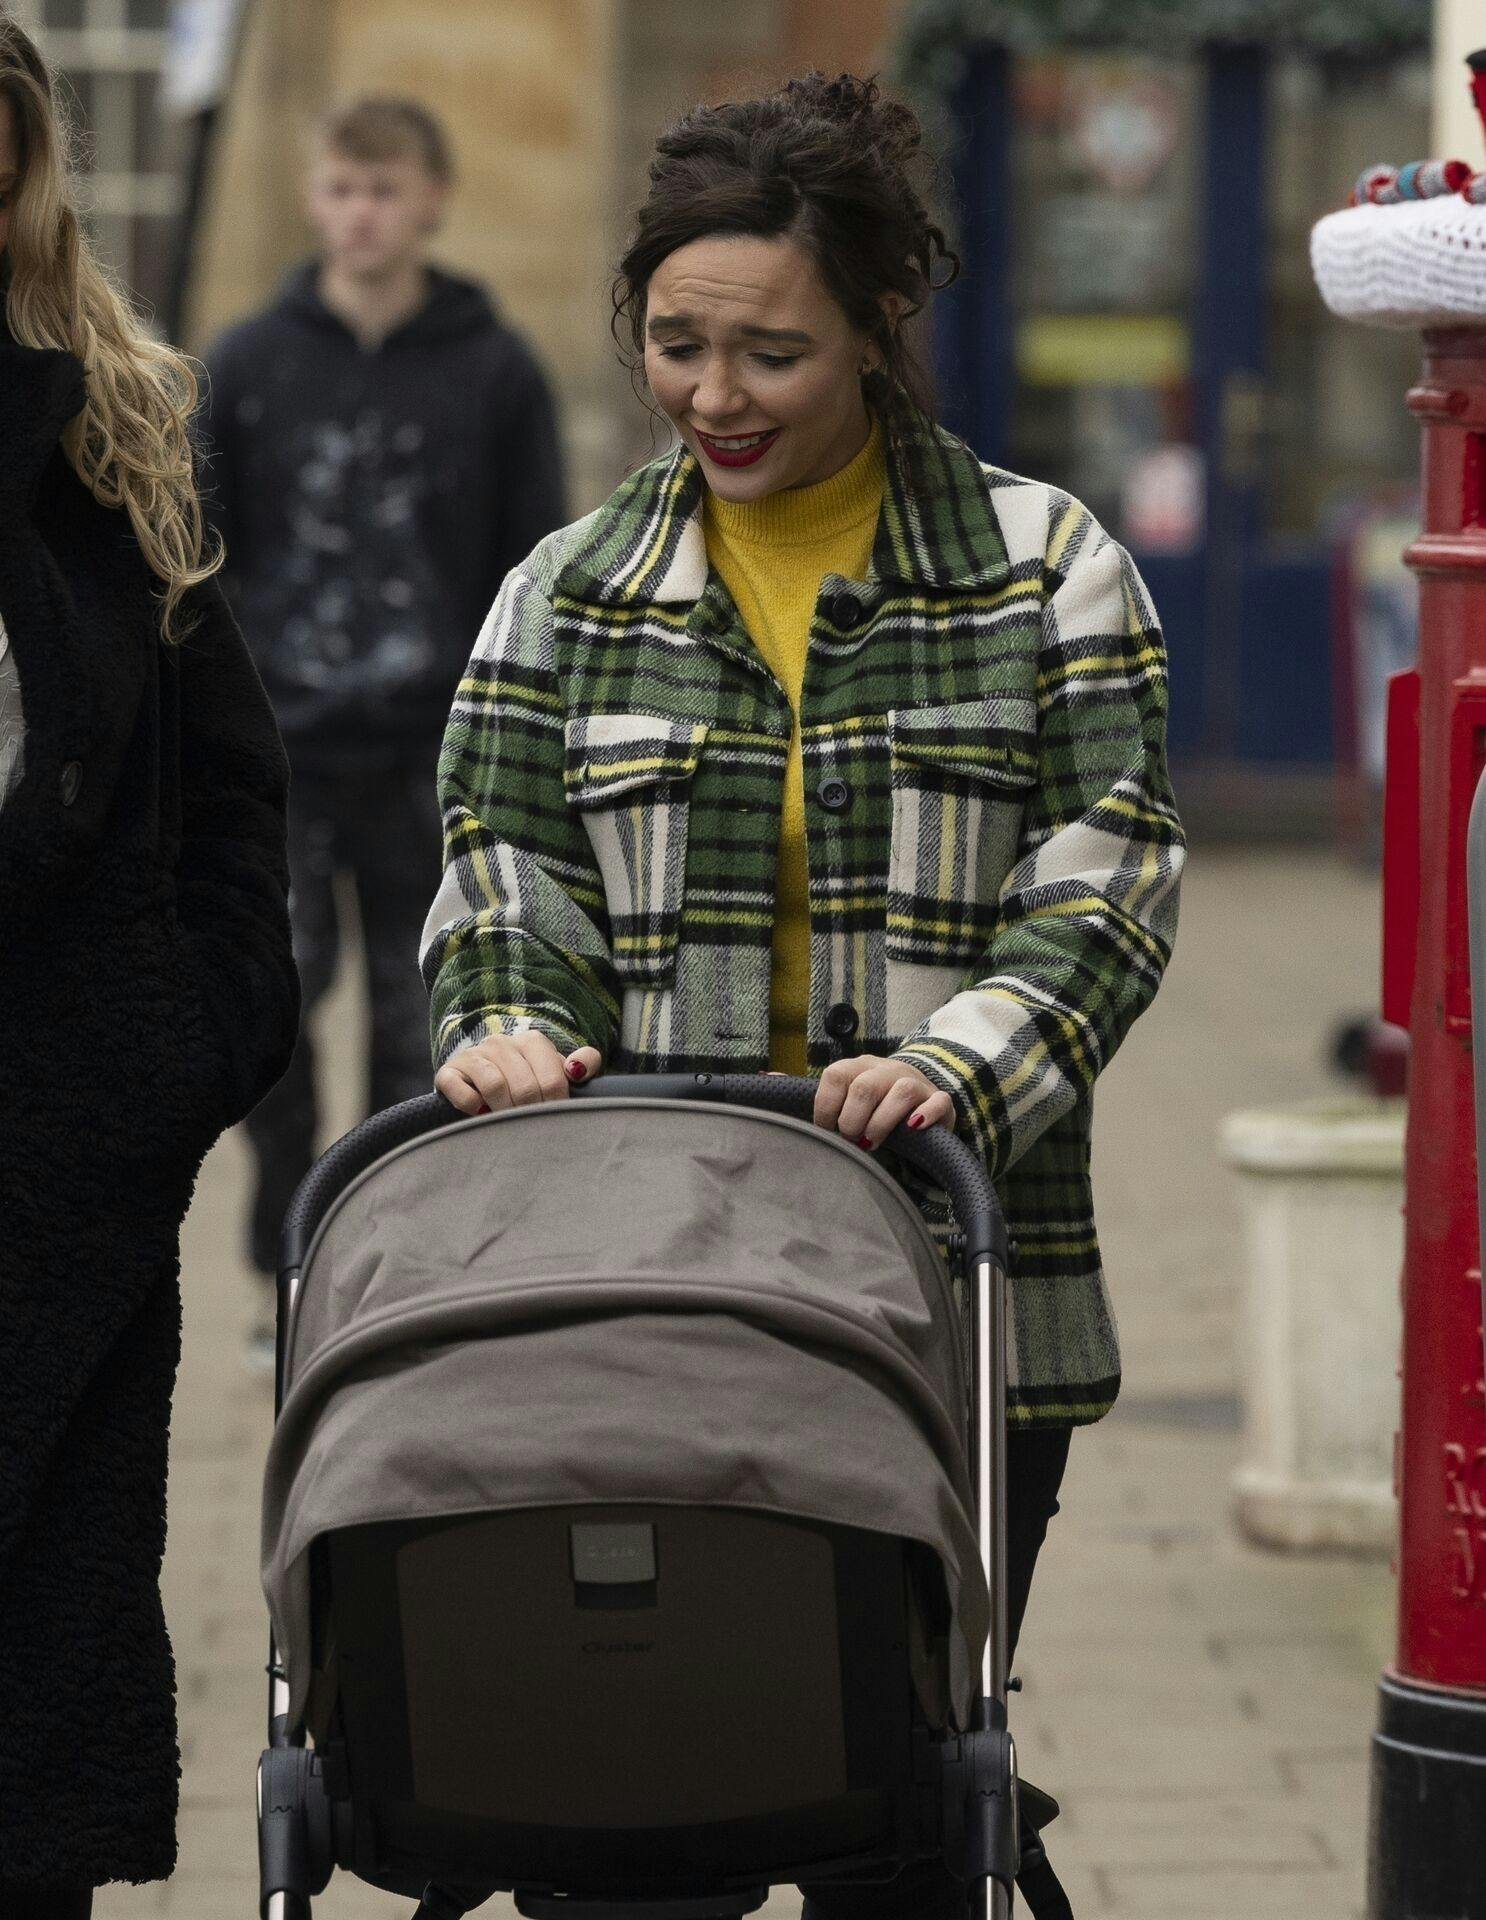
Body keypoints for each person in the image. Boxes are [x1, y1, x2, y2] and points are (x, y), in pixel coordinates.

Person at [422, 71, 1184, 1917]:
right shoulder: (568, 592)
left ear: (874, 330)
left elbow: (1110, 879)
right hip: (646, 1277)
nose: (711, 397)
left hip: (944, 1294)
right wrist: (512, 1014)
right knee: (634, 1794)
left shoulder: (1043, 570)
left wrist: (952, 1067)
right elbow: (501, 868)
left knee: (888, 1791)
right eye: (675, 345)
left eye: (768, 352)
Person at [0, 20, 298, 1917]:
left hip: (61, 1149)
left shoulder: (108, 415)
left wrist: (190, 1048)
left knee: (36, 1719)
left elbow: (224, 789)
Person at [200, 95, 565, 1317]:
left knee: (432, 1030)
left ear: (432, 203)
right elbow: (199, 558)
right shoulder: (249, 362)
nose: (363, 213)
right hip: (281, 756)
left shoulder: (495, 367)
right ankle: (284, 1251)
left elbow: (534, 569)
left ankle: (394, 1269)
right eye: (344, 189)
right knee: (268, 1016)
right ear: (314, 202)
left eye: (386, 190)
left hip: (436, 757)